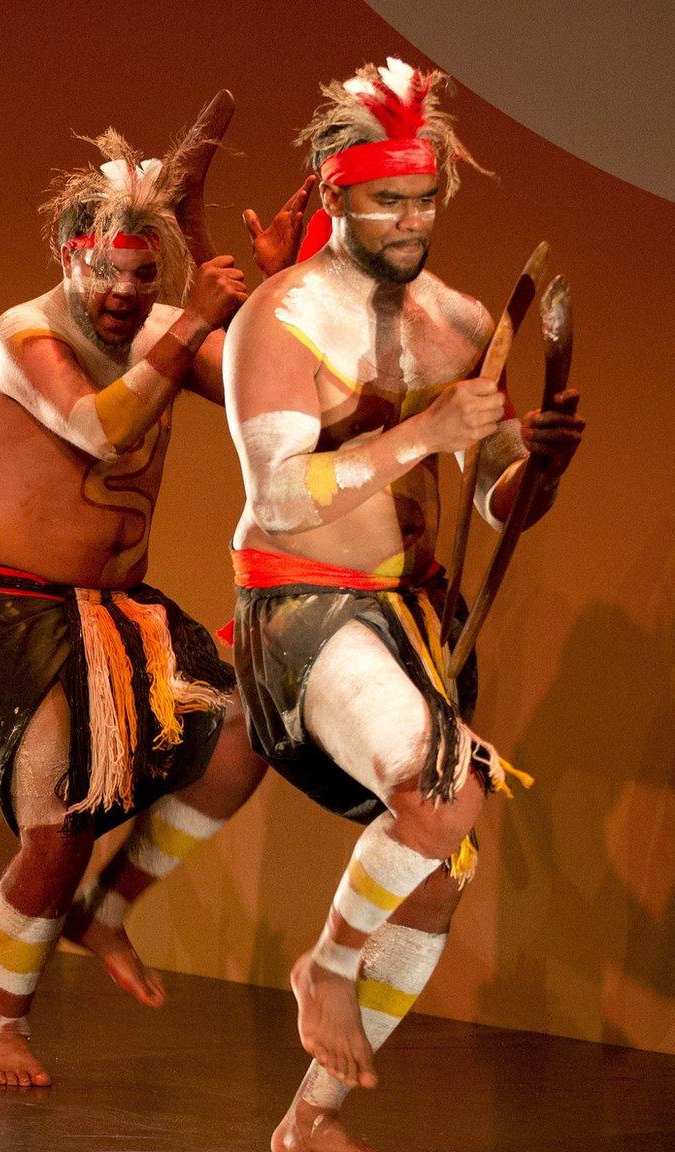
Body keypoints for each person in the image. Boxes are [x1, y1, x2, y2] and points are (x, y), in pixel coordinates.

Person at [222, 59, 584, 1152]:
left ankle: (307, 1124)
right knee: (442, 789)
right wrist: (424, 432)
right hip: (301, 606)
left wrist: (539, 465)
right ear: (333, 194)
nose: (410, 218)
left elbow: (493, 497)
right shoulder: (275, 321)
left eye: (425, 198)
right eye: (387, 198)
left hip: (413, 623)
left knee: (429, 880)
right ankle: (321, 968)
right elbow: (279, 497)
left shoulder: (463, 321)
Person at [0, 123, 285, 1086]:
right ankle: (2, 1026)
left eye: (143, 276)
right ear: (71, 255)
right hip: (14, 608)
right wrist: (189, 324)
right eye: (107, 271)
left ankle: (108, 911)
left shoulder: (156, 330)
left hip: (122, 611)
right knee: (55, 828)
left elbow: (267, 391)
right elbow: (102, 428)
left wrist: (270, 292)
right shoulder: (24, 334)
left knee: (241, 741)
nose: (124, 295)